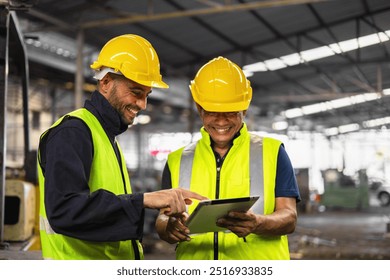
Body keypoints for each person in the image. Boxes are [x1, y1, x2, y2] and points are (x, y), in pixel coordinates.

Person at [37, 34, 206, 260]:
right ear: (106, 82)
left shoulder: (106, 135)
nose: (143, 104)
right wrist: (143, 199)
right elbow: (65, 210)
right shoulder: (74, 132)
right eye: (136, 92)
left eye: (147, 95)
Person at [155, 56, 300, 260]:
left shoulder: (273, 152)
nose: (221, 121)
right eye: (213, 112)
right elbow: (163, 219)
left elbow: (289, 217)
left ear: (244, 108)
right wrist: (168, 228)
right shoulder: (176, 160)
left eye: (230, 112)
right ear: (199, 108)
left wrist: (258, 223)